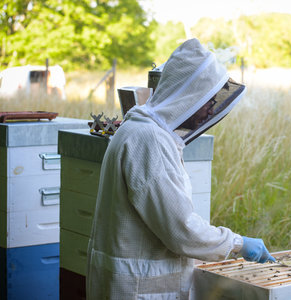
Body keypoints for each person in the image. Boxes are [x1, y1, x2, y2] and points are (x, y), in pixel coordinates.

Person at [86, 38, 275, 300]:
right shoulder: (149, 139)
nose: (210, 110)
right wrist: (237, 243)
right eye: (208, 100)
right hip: (139, 289)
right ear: (189, 95)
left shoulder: (141, 130)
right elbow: (181, 230)